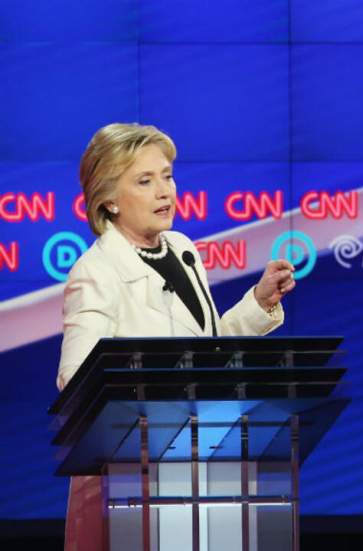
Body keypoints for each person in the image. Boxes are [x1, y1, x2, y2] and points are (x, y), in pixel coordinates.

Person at [58, 123, 297, 551]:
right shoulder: (95, 272)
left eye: (166, 175)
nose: (164, 191)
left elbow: (202, 356)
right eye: (144, 181)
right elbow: (76, 378)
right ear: (109, 199)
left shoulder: (182, 249)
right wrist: (155, 401)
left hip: (197, 469)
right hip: (129, 482)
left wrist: (257, 305)